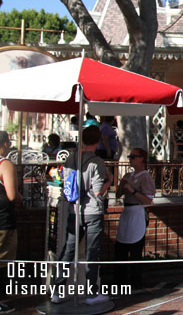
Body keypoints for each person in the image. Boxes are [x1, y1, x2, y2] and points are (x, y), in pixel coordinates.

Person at [52, 125, 112, 305]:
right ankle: (92, 293)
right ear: (98, 141)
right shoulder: (97, 162)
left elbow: (68, 185)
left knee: (68, 251)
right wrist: (109, 181)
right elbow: (98, 191)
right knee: (92, 253)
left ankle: (57, 290)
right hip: (92, 211)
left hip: (74, 210)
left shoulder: (71, 159)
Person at [115, 148, 154, 288]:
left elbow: (148, 200)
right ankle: (120, 279)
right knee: (121, 248)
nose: (130, 159)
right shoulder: (128, 175)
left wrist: (133, 190)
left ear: (141, 159)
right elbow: (118, 195)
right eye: (129, 156)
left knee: (136, 249)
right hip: (127, 211)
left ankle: (135, 281)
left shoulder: (145, 177)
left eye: (133, 156)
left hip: (138, 212)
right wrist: (121, 185)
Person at [0, 131, 22, 314]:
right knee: (2, 261)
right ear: (5, 144)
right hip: (2, 220)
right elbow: (12, 195)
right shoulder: (5, 164)